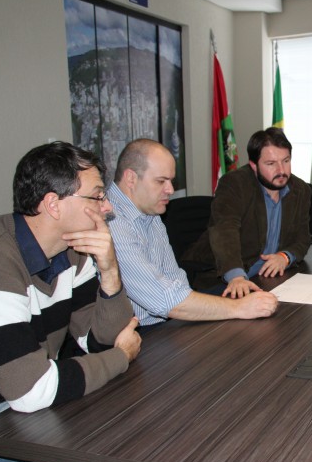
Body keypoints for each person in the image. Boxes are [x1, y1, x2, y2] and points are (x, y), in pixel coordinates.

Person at [0, 141, 172, 462]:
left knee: (150, 445)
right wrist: (120, 358)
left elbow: (98, 339)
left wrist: (109, 271)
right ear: (53, 204)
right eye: (96, 197)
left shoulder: (72, 250)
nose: (107, 207)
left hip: (22, 399)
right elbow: (33, 392)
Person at [107, 139, 278, 326]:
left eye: (171, 181)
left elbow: (176, 280)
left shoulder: (149, 211)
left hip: (165, 322)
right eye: (161, 181)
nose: (170, 190)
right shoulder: (111, 221)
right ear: (131, 178)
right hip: (132, 335)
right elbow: (165, 301)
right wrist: (238, 308)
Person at [185, 127, 311, 298]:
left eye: (286, 161)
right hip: (223, 280)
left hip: (268, 278)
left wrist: (285, 257)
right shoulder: (234, 184)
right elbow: (225, 231)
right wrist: (236, 277)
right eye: (271, 164)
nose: (281, 170)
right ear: (253, 165)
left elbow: (302, 239)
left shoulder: (300, 190)